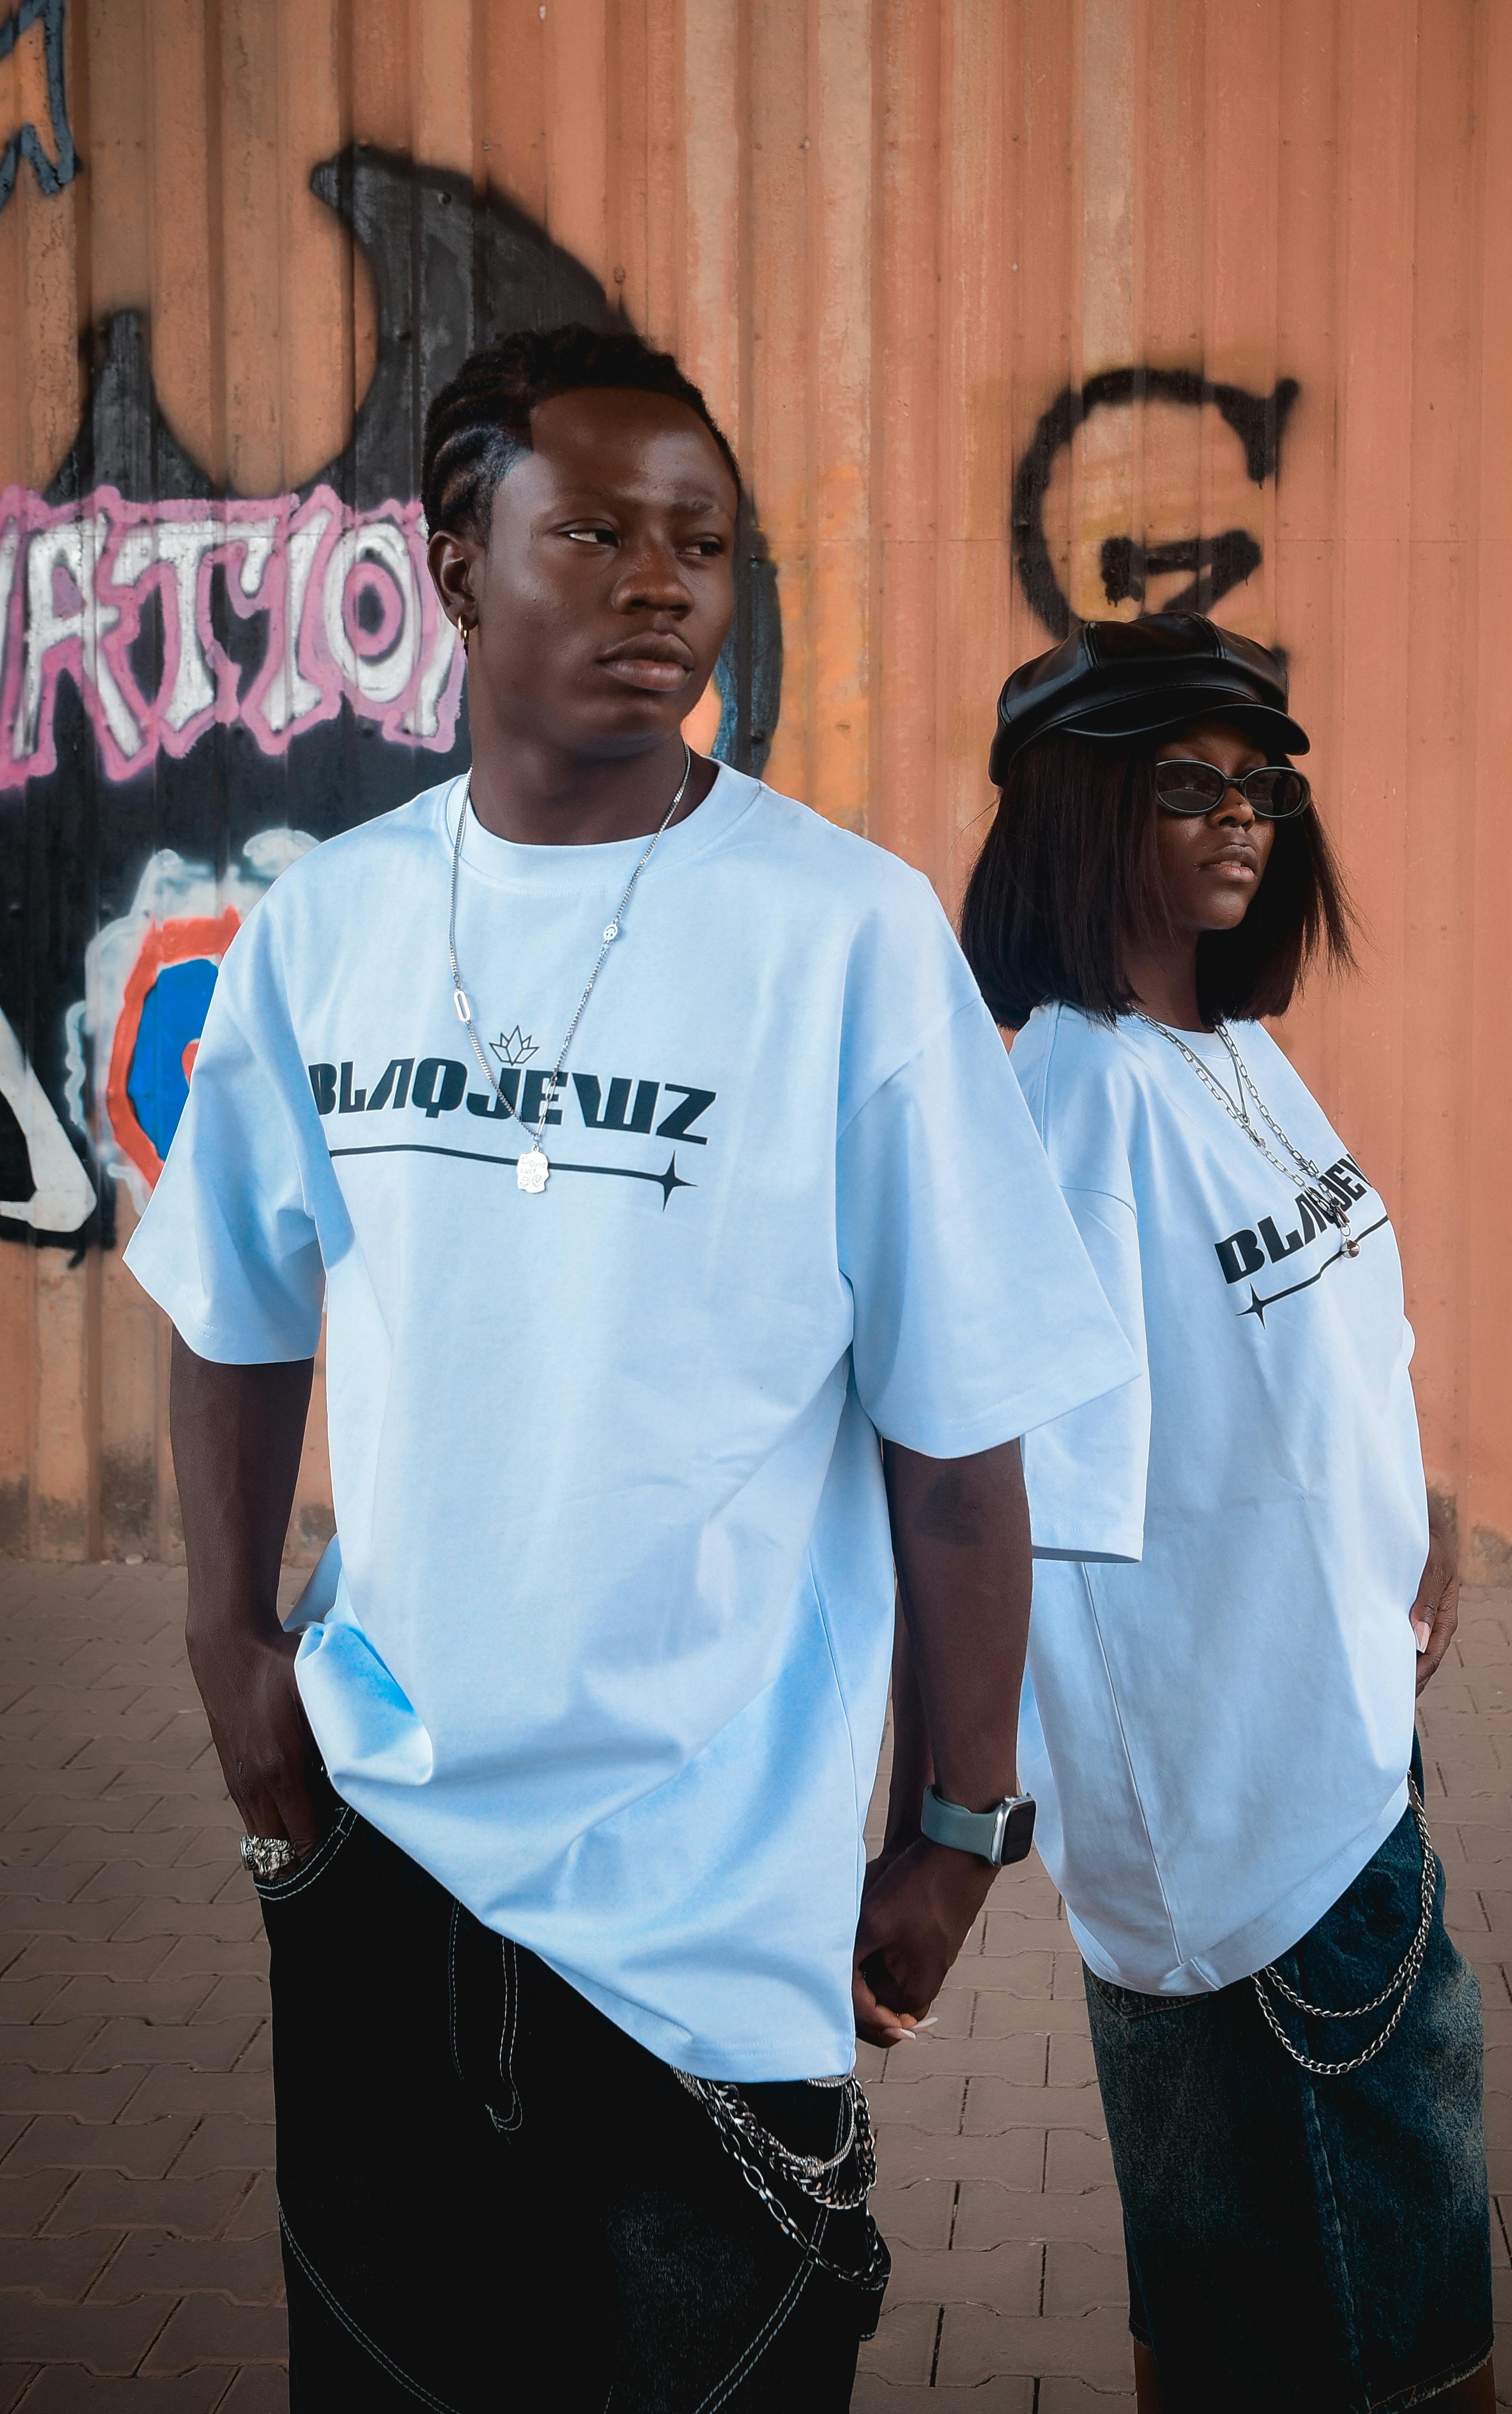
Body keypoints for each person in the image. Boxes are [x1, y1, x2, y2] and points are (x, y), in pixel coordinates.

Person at [126, 324, 1134, 2412]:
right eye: (591, 529)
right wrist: (234, 1661)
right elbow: (239, 1307)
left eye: (701, 539)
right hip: (381, 1854)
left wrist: (954, 1822)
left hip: (709, 1912)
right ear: (455, 562)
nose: (662, 582)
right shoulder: (334, 925)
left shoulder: (843, 939)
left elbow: (957, 1454)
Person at [931, 612, 1494, 2412]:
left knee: (1239, 2333)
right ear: (1084, 808)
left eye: (1263, 785)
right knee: (1407, 2362)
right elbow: (1041, 1513)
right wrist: (972, 1818)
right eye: (1191, 786)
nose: (1243, 817)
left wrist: (1421, 1494)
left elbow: (1330, 1328)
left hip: (1338, 1764)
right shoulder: (1084, 1097)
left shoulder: (1232, 1049)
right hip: (1255, 1851)